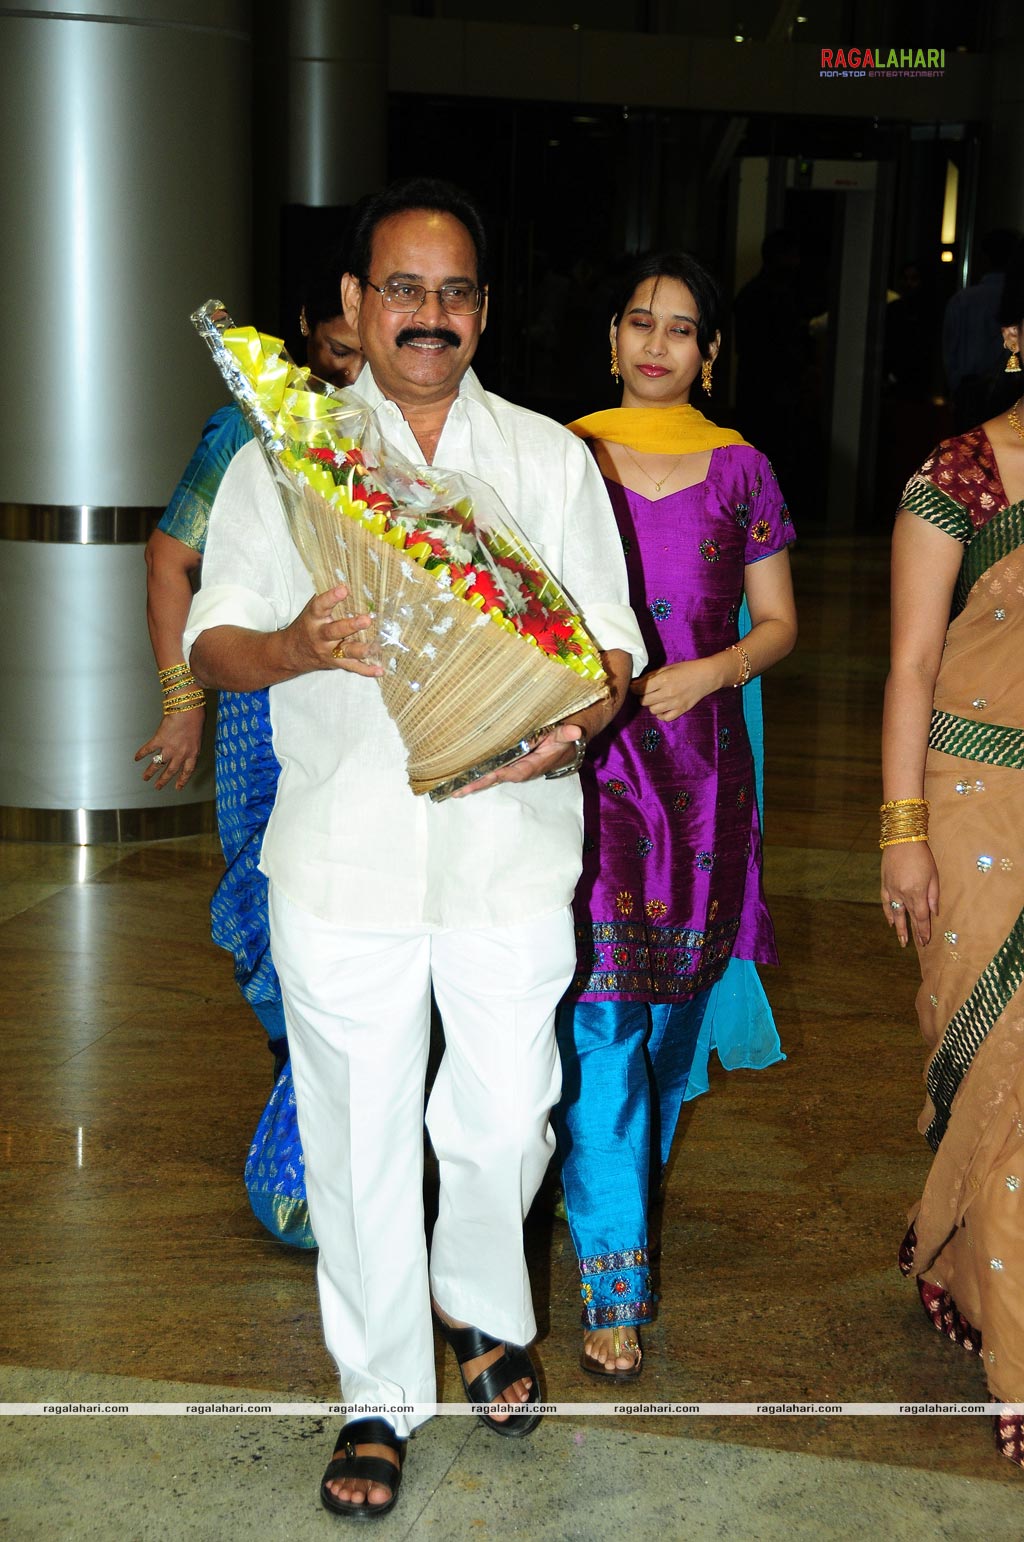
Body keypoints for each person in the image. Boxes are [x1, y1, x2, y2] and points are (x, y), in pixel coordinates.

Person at [183, 177, 646, 1518]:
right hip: (344, 856)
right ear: (352, 307)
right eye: (402, 288)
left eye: (454, 293)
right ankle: (380, 1390)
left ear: (484, 311)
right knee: (358, 1135)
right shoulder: (296, 458)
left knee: (506, 1117)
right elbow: (216, 641)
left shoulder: (551, 461)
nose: (428, 315)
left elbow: (611, 649)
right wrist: (297, 644)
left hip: (510, 848)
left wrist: (577, 720)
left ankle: (481, 1302)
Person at [554, 251, 797, 1379]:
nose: (657, 343)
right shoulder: (562, 453)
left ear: (708, 352)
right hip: (595, 769)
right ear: (611, 337)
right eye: (639, 321)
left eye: (682, 328)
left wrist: (712, 674)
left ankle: (607, 1196)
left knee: (667, 1028)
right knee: (602, 1018)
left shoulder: (742, 470)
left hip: (704, 778)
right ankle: (612, 1285)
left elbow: (779, 624)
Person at [136, 270, 363, 1081]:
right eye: (336, 350)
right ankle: (298, 1087)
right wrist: (181, 700)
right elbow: (171, 558)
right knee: (263, 896)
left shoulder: (400, 430)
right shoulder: (246, 429)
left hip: (374, 709)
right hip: (266, 700)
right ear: (305, 325)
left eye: (363, 354)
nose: (346, 374)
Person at [881, 243, 1024, 1470]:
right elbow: (912, 670)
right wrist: (901, 835)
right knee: (994, 1065)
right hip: (972, 799)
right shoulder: (958, 479)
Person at [942, 227, 1021, 433]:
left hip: (973, 392)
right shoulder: (1005, 297)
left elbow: (951, 353)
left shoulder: (963, 300)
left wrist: (955, 389)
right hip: (999, 390)